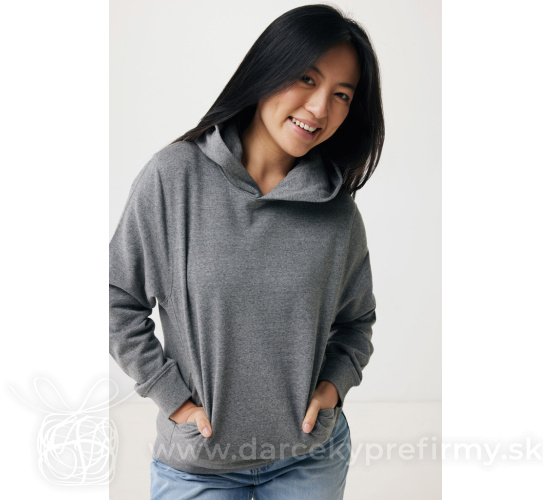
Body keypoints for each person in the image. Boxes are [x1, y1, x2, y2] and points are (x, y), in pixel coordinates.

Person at [109, 3, 384, 499]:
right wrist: (173, 399)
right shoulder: (174, 178)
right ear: (267, 70)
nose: (320, 107)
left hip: (310, 460)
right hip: (198, 463)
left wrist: (333, 386)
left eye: (341, 94)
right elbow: (116, 300)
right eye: (306, 78)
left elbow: (356, 321)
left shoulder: (337, 212)